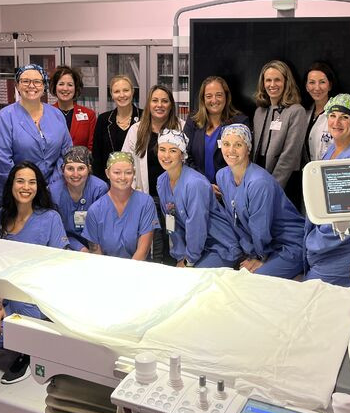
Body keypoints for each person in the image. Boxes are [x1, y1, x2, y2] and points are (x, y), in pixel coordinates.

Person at [0, 161, 69, 385]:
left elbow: (58, 265)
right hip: (2, 291)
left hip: (34, 292)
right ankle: (30, 336)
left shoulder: (50, 218)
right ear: (11, 185)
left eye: (32, 182)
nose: (26, 187)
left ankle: (28, 352)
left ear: (38, 187)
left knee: (24, 317)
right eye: (20, 181)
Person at [216, 124, 304, 278]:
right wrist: (250, 252)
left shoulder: (259, 182)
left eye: (238, 145)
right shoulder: (222, 176)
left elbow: (260, 228)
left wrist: (260, 257)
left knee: (254, 282)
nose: (231, 151)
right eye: (226, 144)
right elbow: (235, 219)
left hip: (289, 244)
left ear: (248, 148)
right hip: (260, 245)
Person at [303, 95, 350, 286]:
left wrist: (316, 241)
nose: (336, 122)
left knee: (316, 296)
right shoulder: (334, 149)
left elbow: (348, 214)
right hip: (325, 243)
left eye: (344, 117)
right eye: (332, 115)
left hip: (341, 247)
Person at [0, 64, 73, 206]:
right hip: (16, 194)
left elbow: (66, 153)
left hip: (51, 193)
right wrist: (27, 187)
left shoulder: (56, 115)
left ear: (44, 85)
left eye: (37, 81)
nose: (31, 86)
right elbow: (1, 162)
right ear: (17, 85)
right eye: (25, 81)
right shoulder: (4, 117)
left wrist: (51, 186)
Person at [156, 129, 241, 268]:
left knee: (193, 282)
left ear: (182, 155)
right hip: (193, 249)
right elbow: (172, 223)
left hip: (220, 246)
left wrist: (189, 260)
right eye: (162, 149)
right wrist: (180, 255)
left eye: (173, 150)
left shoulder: (195, 184)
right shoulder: (161, 181)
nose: (166, 155)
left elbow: (197, 225)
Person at [122, 84, 184, 262]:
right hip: (148, 197)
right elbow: (127, 163)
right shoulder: (137, 130)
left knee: (175, 242)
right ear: (148, 104)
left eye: (165, 101)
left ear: (171, 105)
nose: (159, 105)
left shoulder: (181, 127)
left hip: (174, 197)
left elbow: (187, 162)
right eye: (155, 101)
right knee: (154, 245)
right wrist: (132, 195)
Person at [83, 152, 158, 259]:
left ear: (134, 173)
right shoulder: (95, 210)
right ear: (107, 173)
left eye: (128, 172)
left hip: (138, 269)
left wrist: (127, 274)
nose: (122, 177)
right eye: (117, 172)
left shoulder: (145, 203)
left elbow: (143, 250)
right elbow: (96, 253)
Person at [252, 60, 307, 206]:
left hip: (285, 179)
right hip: (260, 175)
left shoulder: (296, 111)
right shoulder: (259, 111)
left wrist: (274, 186)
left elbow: (290, 154)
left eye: (277, 80)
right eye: (268, 80)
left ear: (286, 82)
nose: (272, 84)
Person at [183, 76, 250, 187]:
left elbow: (243, 160)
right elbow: (185, 155)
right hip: (198, 188)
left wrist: (223, 186)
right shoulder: (193, 121)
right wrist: (205, 184)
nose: (214, 100)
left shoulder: (240, 122)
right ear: (203, 99)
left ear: (226, 97)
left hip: (230, 189)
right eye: (209, 96)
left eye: (219, 95)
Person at [50, 146, 108, 252]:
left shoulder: (99, 189)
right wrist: (79, 248)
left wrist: (94, 249)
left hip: (97, 240)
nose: (75, 174)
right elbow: (56, 230)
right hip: (65, 240)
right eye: (70, 169)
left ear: (89, 169)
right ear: (63, 170)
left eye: (81, 168)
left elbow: (101, 226)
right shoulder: (54, 192)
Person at [92, 74, 142, 181]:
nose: (122, 95)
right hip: (109, 182)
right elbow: (97, 157)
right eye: (117, 91)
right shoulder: (103, 119)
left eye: (126, 90)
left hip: (139, 181)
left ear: (132, 92)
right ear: (112, 94)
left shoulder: (145, 117)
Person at [51, 65, 97, 150]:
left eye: (70, 85)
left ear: (76, 88)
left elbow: (92, 147)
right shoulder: (46, 113)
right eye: (61, 84)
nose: (65, 88)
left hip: (81, 162)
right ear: (55, 87)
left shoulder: (89, 115)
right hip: (53, 163)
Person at [302, 62, 337, 165]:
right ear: (306, 86)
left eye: (322, 82)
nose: (317, 88)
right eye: (312, 82)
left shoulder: (338, 114)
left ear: (330, 85)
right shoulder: (304, 113)